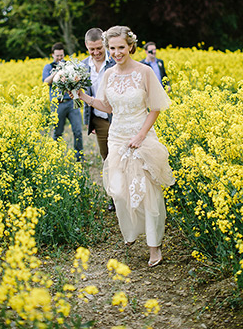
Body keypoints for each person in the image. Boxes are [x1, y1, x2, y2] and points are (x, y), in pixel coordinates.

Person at [72, 26, 175, 267]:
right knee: (118, 190)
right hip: (117, 137)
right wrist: (83, 97)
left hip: (141, 136)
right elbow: (107, 106)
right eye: (112, 48)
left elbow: (156, 107)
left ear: (130, 46)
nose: (117, 52)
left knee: (147, 192)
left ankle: (154, 246)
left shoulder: (144, 71)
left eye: (121, 47)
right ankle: (132, 229)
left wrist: (141, 135)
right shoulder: (109, 74)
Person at [42, 42, 83, 161]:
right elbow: (46, 82)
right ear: (52, 55)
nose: (60, 58)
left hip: (71, 102)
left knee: (78, 131)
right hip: (57, 104)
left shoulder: (69, 65)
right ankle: (56, 157)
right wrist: (57, 72)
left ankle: (79, 157)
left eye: (61, 55)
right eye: (57, 56)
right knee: (57, 133)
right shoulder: (48, 67)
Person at [82, 28, 115, 160]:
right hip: (99, 118)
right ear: (86, 46)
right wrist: (88, 120)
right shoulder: (83, 66)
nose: (96, 53)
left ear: (105, 43)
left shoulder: (115, 60)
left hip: (118, 117)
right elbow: (85, 94)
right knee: (106, 156)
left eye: (99, 48)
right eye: (92, 49)